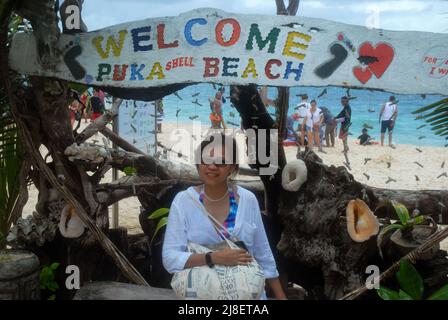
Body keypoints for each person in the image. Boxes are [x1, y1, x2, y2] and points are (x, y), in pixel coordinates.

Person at [162, 133, 286, 300]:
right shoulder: (184, 202)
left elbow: (263, 252)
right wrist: (213, 258)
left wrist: (280, 296)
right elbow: (170, 258)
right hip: (202, 296)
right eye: (206, 159)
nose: (212, 166)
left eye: (221, 161)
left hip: (247, 296)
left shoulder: (247, 200)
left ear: (233, 167)